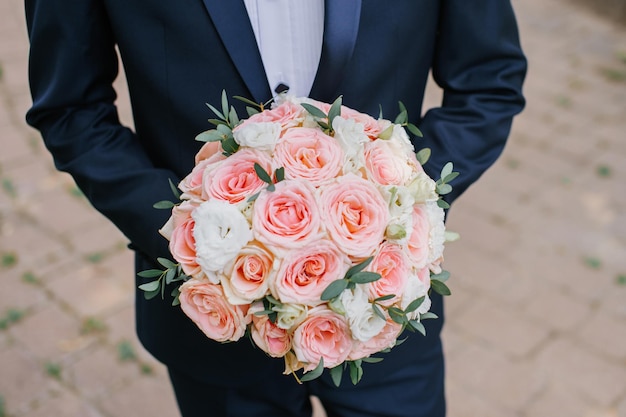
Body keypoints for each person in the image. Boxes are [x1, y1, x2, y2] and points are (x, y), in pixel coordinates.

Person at [24, 1, 526, 416]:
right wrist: (191, 236)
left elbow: (488, 82)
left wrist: (396, 206)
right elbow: (70, 109)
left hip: (387, 308)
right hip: (209, 323)